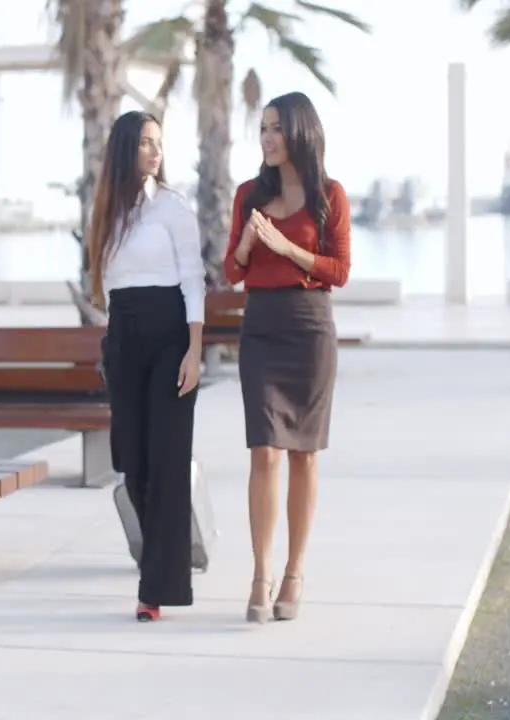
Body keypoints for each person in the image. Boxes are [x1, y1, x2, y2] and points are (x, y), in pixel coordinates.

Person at [224, 91, 351, 624]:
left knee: (303, 454)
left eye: (276, 128)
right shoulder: (249, 193)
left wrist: (288, 248)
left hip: (310, 328)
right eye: (262, 129)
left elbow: (339, 271)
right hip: (262, 329)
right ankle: (260, 573)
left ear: (300, 131)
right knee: (264, 451)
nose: (268, 138)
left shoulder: (330, 195)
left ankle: (295, 573)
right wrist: (251, 245)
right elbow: (231, 272)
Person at [90, 110, 205, 623]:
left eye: (158, 143)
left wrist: (195, 349)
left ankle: (156, 587)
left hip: (171, 337)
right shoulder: (106, 215)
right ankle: (164, 556)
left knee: (167, 461)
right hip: (124, 339)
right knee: (132, 462)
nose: (154, 152)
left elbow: (194, 281)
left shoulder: (175, 209)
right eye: (143, 143)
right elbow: (106, 288)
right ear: (123, 150)